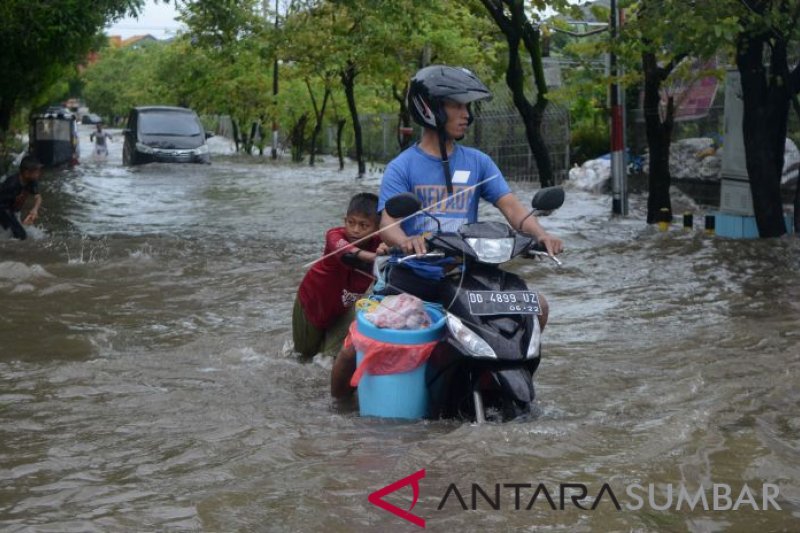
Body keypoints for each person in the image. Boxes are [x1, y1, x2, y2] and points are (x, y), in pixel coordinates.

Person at [331, 65, 563, 397]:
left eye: (467, 107)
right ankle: (337, 413)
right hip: (411, 276)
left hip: (467, 275)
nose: (466, 114)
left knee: (535, 307)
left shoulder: (479, 162)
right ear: (431, 108)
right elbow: (388, 224)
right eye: (457, 105)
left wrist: (541, 235)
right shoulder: (402, 166)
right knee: (352, 349)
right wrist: (406, 241)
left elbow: (511, 207)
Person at [293, 192, 387, 358]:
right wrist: (377, 258)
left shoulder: (382, 244)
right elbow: (347, 252)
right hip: (313, 303)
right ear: (345, 220)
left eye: (364, 225)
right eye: (351, 223)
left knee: (328, 358)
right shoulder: (335, 236)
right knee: (303, 356)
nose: (355, 230)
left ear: (377, 228)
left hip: (345, 306)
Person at [0, 155, 43, 240]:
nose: (39, 174)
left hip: (13, 211)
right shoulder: (11, 184)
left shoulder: (32, 181)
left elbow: (38, 197)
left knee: (16, 232)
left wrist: (34, 210)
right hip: (3, 210)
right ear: (27, 173)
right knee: (21, 235)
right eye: (36, 172)